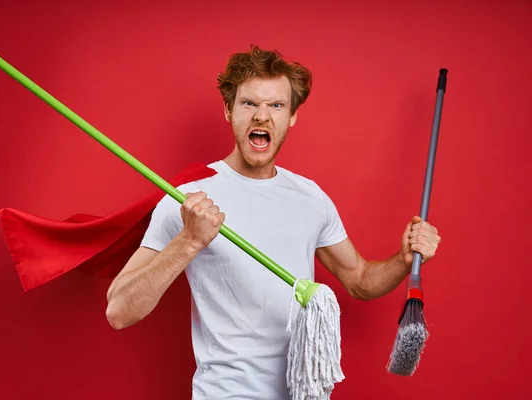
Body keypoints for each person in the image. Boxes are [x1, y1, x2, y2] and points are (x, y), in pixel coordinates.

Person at [105, 45, 441, 399]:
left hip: (302, 392)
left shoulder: (310, 198)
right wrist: (188, 241)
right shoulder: (189, 200)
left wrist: (403, 260)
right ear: (228, 110)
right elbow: (119, 311)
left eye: (276, 105)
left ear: (292, 116)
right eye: (249, 103)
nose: (262, 117)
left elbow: (359, 280)